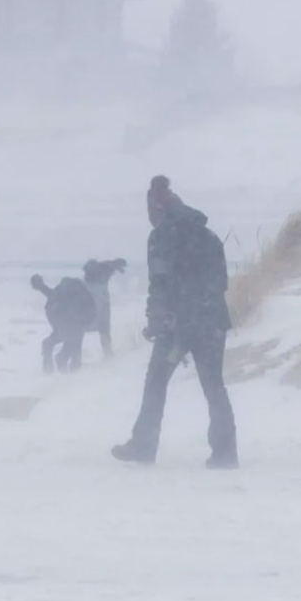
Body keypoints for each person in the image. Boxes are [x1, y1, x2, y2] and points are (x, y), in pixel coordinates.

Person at [112, 176, 238, 469]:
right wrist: (200, 305)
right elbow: (221, 280)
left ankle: (143, 445)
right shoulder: (207, 235)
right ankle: (225, 453)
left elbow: (159, 283)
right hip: (211, 320)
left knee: (156, 382)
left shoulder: (161, 237)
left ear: (156, 210)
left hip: (176, 324)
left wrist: (157, 318)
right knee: (214, 386)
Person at [82, 258, 127, 358]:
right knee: (105, 331)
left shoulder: (88, 280)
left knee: (102, 331)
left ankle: (107, 353)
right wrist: (116, 265)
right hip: (102, 307)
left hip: (91, 307)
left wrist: (114, 265)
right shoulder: (103, 274)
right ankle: (108, 353)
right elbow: (111, 265)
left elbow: (110, 265)